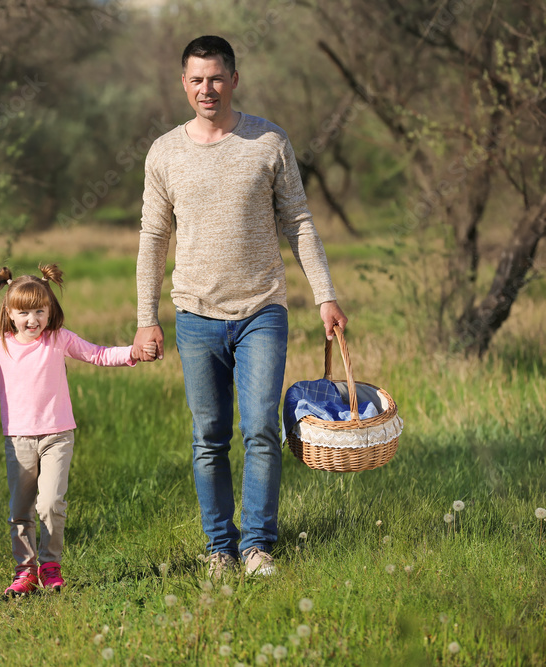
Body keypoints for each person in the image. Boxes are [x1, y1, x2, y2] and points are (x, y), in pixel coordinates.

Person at [132, 36, 348, 578]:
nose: (208, 88)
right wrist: (144, 319)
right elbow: (153, 237)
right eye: (197, 79)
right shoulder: (164, 152)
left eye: (217, 77)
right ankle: (218, 550)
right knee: (208, 438)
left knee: (260, 429)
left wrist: (325, 295)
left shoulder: (269, 141)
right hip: (197, 314)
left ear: (234, 79)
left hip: (262, 309)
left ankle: (256, 545)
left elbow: (298, 220)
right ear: (184, 84)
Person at [0, 264, 155, 597]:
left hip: (58, 436)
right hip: (18, 441)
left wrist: (132, 353)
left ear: (50, 311)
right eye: (24, 312)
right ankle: (25, 572)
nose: (33, 320)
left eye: (40, 311)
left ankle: (50, 565)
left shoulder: (59, 339)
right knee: (20, 510)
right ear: (9, 313)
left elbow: (98, 354)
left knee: (50, 504)